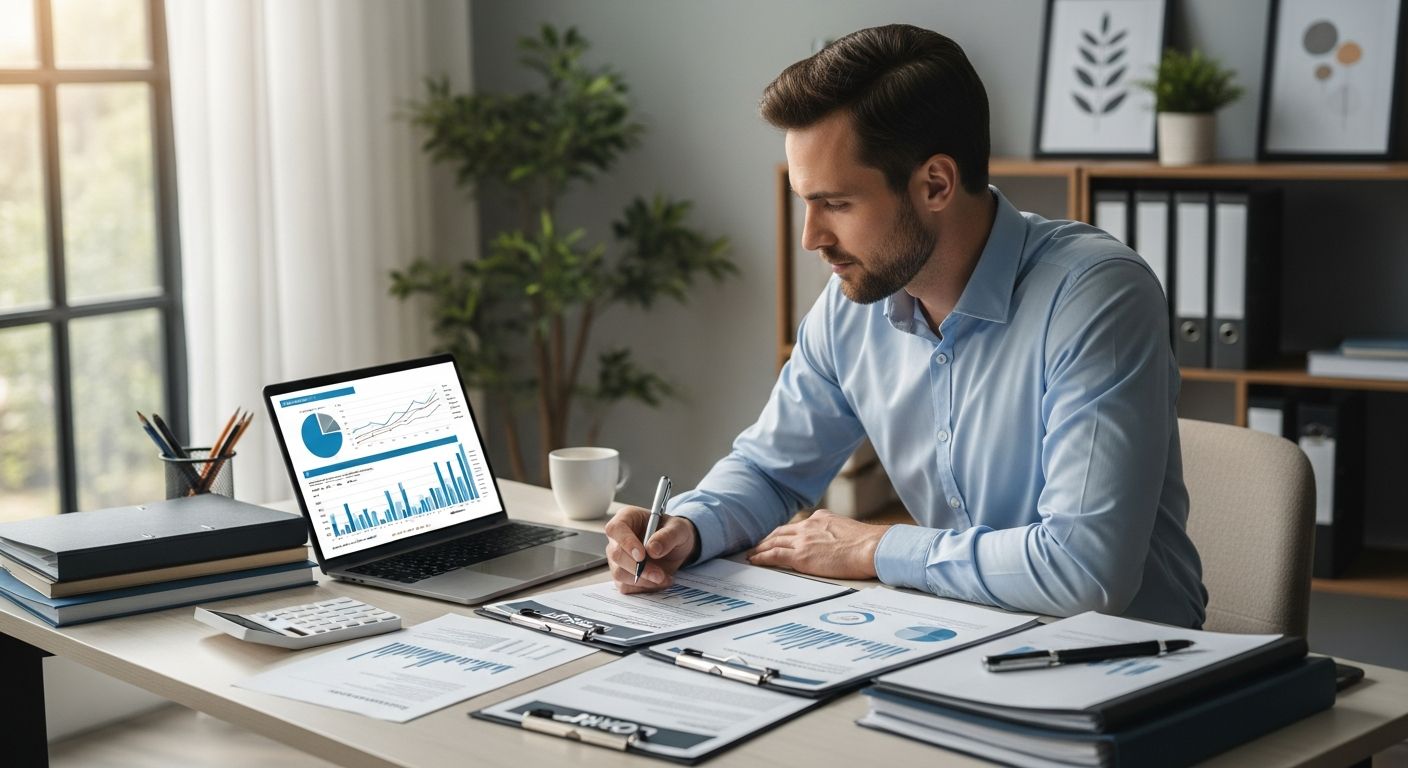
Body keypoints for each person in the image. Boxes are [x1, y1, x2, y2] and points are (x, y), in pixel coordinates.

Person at [603, 24, 1207, 627]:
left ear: (935, 184)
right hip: (963, 635)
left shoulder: (1096, 297)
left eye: (837, 204)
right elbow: (770, 470)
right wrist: (688, 527)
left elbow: (1085, 571)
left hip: (1135, 658)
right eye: (804, 202)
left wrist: (874, 547)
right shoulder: (853, 303)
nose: (811, 237)